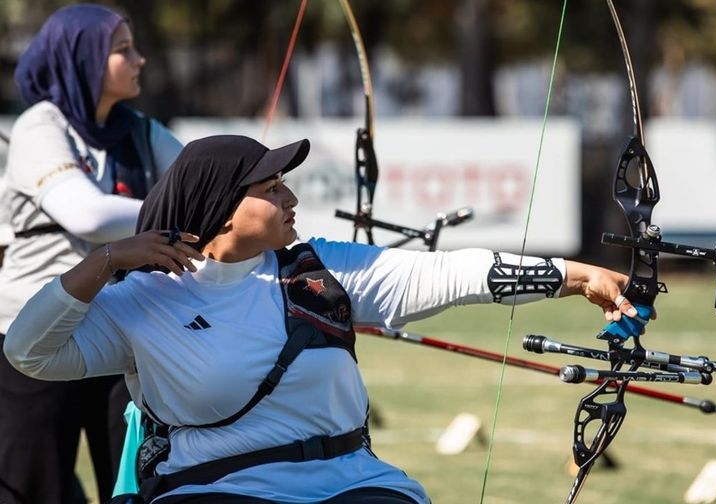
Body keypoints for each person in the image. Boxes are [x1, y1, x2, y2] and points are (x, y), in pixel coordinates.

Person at [4, 134, 643, 504]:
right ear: (224, 209)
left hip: (350, 482)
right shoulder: (142, 299)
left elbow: (442, 274)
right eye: (272, 187)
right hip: (213, 491)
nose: (292, 197)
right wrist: (107, 261)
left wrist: (575, 275)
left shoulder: (317, 268)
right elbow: (29, 352)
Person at [0, 4, 182, 504]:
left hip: (123, 335)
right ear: (81, 60)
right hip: (35, 335)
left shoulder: (141, 130)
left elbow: (200, 180)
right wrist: (176, 216)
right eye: (123, 50)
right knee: (38, 488)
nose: (139, 59)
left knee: (136, 489)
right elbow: (87, 215)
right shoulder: (42, 125)